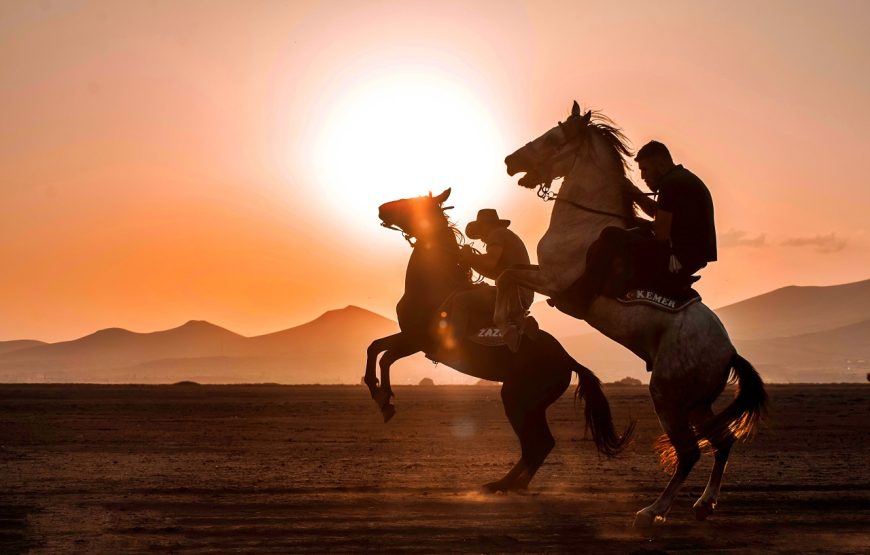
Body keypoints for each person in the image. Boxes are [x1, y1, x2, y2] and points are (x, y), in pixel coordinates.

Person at [569, 140, 717, 314]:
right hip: (688, 255)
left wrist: (643, 225)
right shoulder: (680, 179)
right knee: (634, 232)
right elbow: (660, 214)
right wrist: (633, 192)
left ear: (661, 164)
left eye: (645, 169)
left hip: (676, 257)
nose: (643, 177)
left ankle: (580, 298)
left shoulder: (671, 184)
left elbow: (661, 234)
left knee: (610, 235)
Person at [447, 209, 533, 346]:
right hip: (522, 294)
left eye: (480, 231)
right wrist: (471, 261)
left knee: (460, 299)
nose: (481, 238)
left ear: (485, 226)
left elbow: (490, 262)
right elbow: (495, 272)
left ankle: (454, 346)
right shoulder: (506, 234)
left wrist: (469, 256)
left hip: (512, 294)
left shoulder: (496, 234)